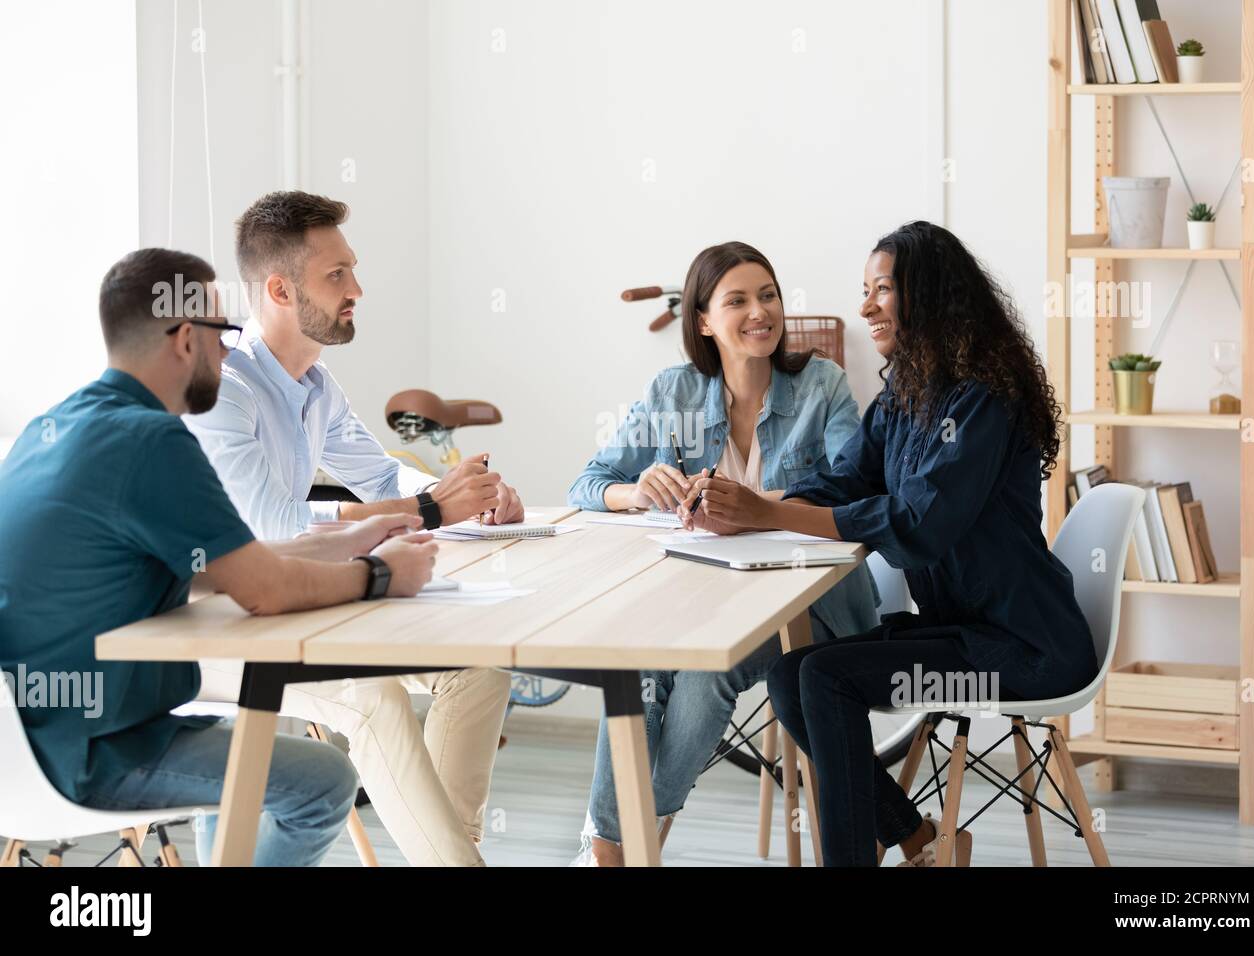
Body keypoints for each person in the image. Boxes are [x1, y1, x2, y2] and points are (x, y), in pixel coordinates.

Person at [0, 248, 441, 866]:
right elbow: (267, 590)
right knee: (324, 782)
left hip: (26, 742)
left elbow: (235, 563)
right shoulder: (152, 439)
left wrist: (356, 537)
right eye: (222, 333)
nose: (231, 352)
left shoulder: (61, 427)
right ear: (185, 338)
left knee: (251, 758)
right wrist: (383, 575)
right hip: (90, 751)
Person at [686, 221, 1097, 867]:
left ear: (930, 296)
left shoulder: (986, 397)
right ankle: (918, 839)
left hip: (1025, 653)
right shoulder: (907, 395)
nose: (866, 306)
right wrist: (745, 511)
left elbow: (916, 524)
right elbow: (843, 479)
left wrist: (767, 510)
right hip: (964, 633)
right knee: (790, 673)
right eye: (865, 289)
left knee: (824, 676)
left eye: (883, 289)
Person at [186, 191, 516, 867]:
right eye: (337, 275)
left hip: (283, 602)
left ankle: (450, 855)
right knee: (375, 700)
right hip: (200, 620)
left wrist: (466, 496)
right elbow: (270, 527)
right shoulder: (224, 386)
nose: (357, 289)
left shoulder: (314, 384)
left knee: (477, 669)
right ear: (279, 288)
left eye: (352, 270)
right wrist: (427, 511)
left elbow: (384, 478)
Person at [566, 241, 880, 865]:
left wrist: (759, 504)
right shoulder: (674, 394)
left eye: (768, 296)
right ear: (704, 321)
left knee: (709, 675)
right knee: (634, 667)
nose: (759, 311)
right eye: (737, 300)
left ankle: (632, 845)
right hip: (699, 596)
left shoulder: (821, 385)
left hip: (806, 608)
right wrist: (637, 490)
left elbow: (860, 487)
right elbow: (587, 483)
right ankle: (608, 847)